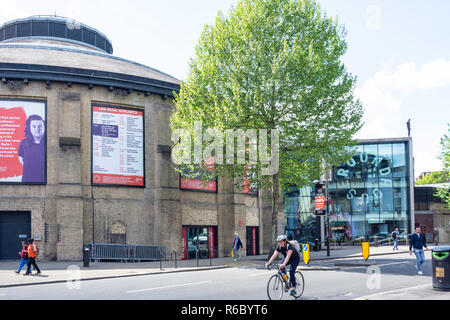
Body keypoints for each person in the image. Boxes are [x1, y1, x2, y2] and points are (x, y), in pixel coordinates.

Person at [18, 115, 46, 183]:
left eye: (40, 126)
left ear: (44, 127)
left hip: (43, 182)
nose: (37, 129)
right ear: (29, 128)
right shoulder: (23, 143)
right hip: (27, 180)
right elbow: (21, 159)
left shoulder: (48, 144)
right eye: (34, 126)